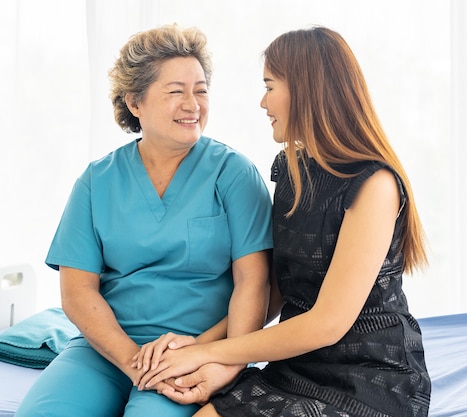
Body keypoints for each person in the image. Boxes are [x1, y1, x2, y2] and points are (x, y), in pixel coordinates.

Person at [135, 26, 431, 417]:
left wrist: (213, 354)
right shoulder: (291, 170)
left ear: (307, 91)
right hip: (299, 365)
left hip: (371, 377)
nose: (263, 101)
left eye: (270, 86)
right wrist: (195, 346)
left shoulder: (374, 184)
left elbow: (326, 323)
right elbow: (278, 288)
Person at [15, 24, 273, 417]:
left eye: (201, 90)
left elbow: (254, 283)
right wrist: (137, 362)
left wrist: (214, 355)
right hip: (106, 349)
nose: (193, 104)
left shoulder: (233, 174)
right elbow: (78, 291)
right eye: (175, 91)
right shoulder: (96, 182)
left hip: (199, 349)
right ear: (135, 102)